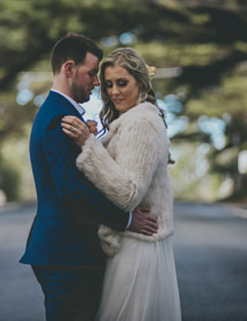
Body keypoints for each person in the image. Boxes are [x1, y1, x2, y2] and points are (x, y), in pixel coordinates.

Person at [20, 33, 159, 321]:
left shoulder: (66, 116)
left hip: (68, 253)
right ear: (69, 69)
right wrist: (128, 220)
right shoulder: (61, 118)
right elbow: (70, 189)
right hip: (67, 253)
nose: (98, 83)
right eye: (92, 74)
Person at [61, 47, 181, 320]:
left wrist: (87, 145)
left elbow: (128, 194)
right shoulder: (131, 120)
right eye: (109, 84)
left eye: (122, 83)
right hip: (131, 243)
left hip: (136, 248)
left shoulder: (141, 123)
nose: (114, 91)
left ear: (141, 82)